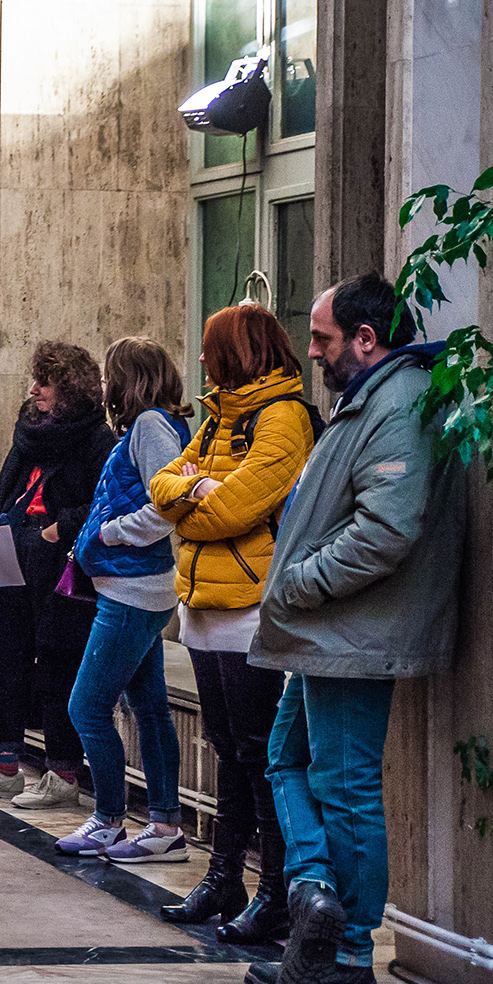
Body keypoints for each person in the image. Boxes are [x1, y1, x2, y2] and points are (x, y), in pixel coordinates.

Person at [242, 272, 466, 984]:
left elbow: (387, 530)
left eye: (322, 338)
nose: (312, 352)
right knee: (286, 760)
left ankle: (345, 950)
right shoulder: (369, 398)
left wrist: (299, 582)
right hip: (327, 634)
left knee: (344, 788)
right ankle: (314, 895)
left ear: (366, 339)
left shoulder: (395, 404)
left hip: (349, 634)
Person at [148, 305, 317, 935]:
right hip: (204, 608)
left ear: (236, 351)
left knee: (258, 753)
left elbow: (236, 512)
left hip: (250, 609)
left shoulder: (284, 418)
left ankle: (273, 892)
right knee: (226, 747)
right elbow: (162, 487)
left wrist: (196, 495)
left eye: (207, 349)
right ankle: (224, 880)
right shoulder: (218, 415)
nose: (199, 360)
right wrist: (195, 492)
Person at [0, 342, 115, 810]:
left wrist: (57, 528)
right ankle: (3, 765)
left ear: (67, 388)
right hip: (5, 544)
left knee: (58, 662)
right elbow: (7, 485)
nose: (33, 391)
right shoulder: (30, 428)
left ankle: (63, 772)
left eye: (43, 383)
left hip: (52, 556)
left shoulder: (96, 438)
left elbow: (103, 504)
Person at [53, 338, 193, 863]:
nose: (105, 387)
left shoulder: (152, 426)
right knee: (150, 709)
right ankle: (164, 826)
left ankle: (108, 819)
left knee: (86, 707)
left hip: (134, 591)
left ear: (128, 379)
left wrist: (110, 534)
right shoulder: (148, 427)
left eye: (111, 375)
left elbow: (168, 506)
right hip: (137, 587)